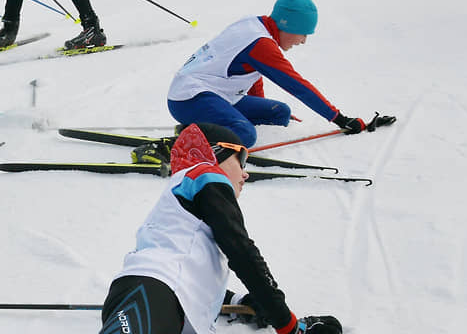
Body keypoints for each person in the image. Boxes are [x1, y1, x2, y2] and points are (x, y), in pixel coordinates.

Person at [99, 122, 343, 334]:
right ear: (216, 152)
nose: (245, 174)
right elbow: (240, 250)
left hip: (155, 294)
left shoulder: (185, 194)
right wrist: (289, 325)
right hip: (152, 289)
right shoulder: (205, 174)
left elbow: (191, 269)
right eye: (242, 159)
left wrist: (240, 300)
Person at [167, 0, 373, 148]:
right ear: (289, 26)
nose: (303, 41)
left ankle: (201, 127)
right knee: (245, 134)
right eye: (303, 34)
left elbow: (252, 72)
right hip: (190, 97)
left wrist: (261, 106)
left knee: (279, 113)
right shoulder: (261, 44)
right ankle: (180, 145)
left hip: (215, 93)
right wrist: (339, 118)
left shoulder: (255, 26)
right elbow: (297, 85)